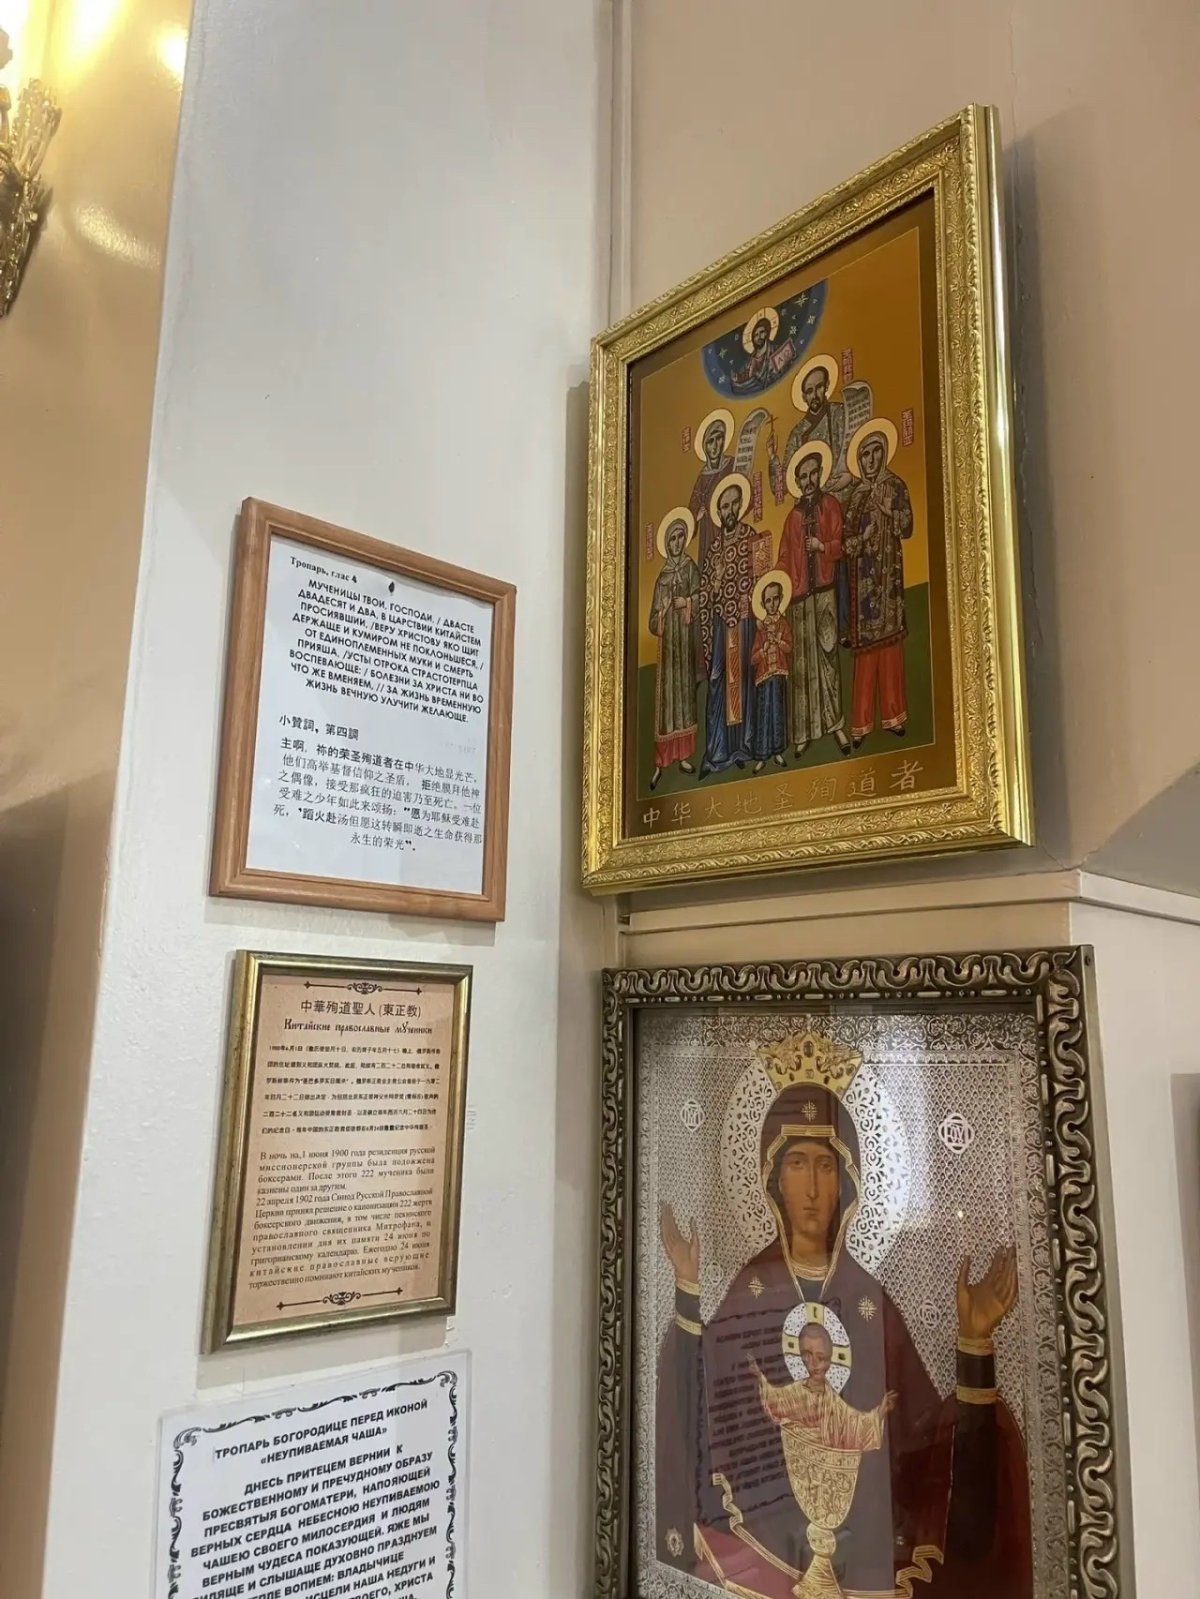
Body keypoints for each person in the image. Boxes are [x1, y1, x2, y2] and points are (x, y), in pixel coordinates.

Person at [654, 1031, 1031, 1599]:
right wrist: (686, 1292)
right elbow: (703, 1405)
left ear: (848, 1182)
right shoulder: (752, 1290)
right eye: (797, 1164)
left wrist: (974, 1343)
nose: (811, 1187)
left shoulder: (867, 1300)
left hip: (866, 1559)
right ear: (773, 1179)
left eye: (826, 1166)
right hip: (755, 1546)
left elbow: (924, 1439)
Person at [776, 444, 851, 759]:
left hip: (824, 592)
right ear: (797, 481)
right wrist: (780, 586)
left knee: (828, 655)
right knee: (802, 665)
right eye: (802, 477)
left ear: (819, 474)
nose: (807, 481)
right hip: (798, 599)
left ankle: (835, 725)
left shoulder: (830, 505)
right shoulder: (792, 518)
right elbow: (783, 557)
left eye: (812, 474)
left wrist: (822, 546)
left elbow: (841, 544)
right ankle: (804, 732)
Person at [842, 419, 914, 745]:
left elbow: (907, 527)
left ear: (884, 454)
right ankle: (860, 724)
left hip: (889, 576)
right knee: (866, 653)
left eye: (875, 453)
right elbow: (847, 543)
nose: (870, 460)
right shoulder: (856, 496)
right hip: (863, 583)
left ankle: (894, 716)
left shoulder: (896, 486)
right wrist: (863, 537)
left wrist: (889, 511)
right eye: (865, 455)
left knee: (890, 647)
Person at [698, 474, 771, 777]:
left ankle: (744, 745)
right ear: (719, 511)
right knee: (718, 682)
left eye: (733, 504)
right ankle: (718, 751)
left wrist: (755, 607)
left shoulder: (752, 537)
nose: (729, 511)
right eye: (724, 506)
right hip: (720, 627)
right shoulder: (714, 549)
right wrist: (714, 585)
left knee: (744, 681)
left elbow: (764, 581)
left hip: (744, 623)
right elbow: (704, 593)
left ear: (741, 505)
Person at [755, 1323, 897, 1453]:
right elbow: (776, 1401)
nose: (814, 1364)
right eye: (807, 1356)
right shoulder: (794, 1393)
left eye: (821, 1358)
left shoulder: (833, 1403)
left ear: (829, 1359)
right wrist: (760, 1378)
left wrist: (880, 1412)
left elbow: (855, 1426)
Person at [648, 508, 703, 789]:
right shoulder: (662, 578)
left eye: (681, 537)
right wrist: (663, 611)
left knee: (684, 698)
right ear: (666, 543)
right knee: (667, 703)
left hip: (685, 642)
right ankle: (662, 761)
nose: (677, 543)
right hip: (669, 648)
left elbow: (700, 597)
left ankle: (683, 756)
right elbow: (651, 622)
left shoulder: (691, 568)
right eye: (672, 538)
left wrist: (688, 603)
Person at [749, 572, 792, 773]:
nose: (772, 604)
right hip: (764, 678)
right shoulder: (760, 629)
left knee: (777, 713)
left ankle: (777, 752)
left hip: (779, 674)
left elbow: (789, 647)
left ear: (781, 599)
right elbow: (753, 658)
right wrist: (764, 649)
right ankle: (762, 756)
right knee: (764, 715)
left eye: (775, 599)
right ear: (763, 604)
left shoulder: (783, 624)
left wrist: (779, 642)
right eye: (768, 601)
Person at [689, 410, 735, 569]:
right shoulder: (702, 478)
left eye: (719, 438)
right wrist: (696, 517)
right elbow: (691, 514)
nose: (715, 446)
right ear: (705, 447)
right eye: (710, 441)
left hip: (730, 525)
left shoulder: (731, 465)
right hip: (708, 533)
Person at [732, 309, 780, 394]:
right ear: (753, 339)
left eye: (762, 332)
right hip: (752, 388)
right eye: (756, 335)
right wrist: (737, 378)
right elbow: (745, 376)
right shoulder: (750, 360)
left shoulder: (775, 350)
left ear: (766, 333)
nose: (759, 337)